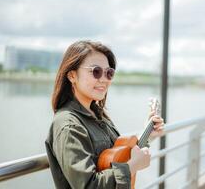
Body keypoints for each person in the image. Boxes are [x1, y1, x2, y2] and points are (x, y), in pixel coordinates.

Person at [45, 40, 164, 189]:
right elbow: (89, 185)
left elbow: (116, 157)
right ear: (72, 75)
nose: (104, 79)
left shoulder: (98, 115)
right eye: (96, 71)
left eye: (109, 73)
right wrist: (133, 166)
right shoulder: (67, 125)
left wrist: (148, 136)